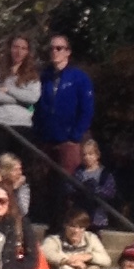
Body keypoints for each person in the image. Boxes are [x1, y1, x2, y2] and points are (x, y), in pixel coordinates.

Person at [35, 32, 94, 174]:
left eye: (59, 48)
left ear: (68, 51)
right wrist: (39, 130)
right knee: (47, 179)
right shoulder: (44, 77)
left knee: (69, 180)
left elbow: (87, 109)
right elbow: (38, 106)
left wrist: (75, 136)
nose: (54, 52)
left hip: (69, 141)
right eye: (51, 48)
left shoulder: (79, 77)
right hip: (47, 139)